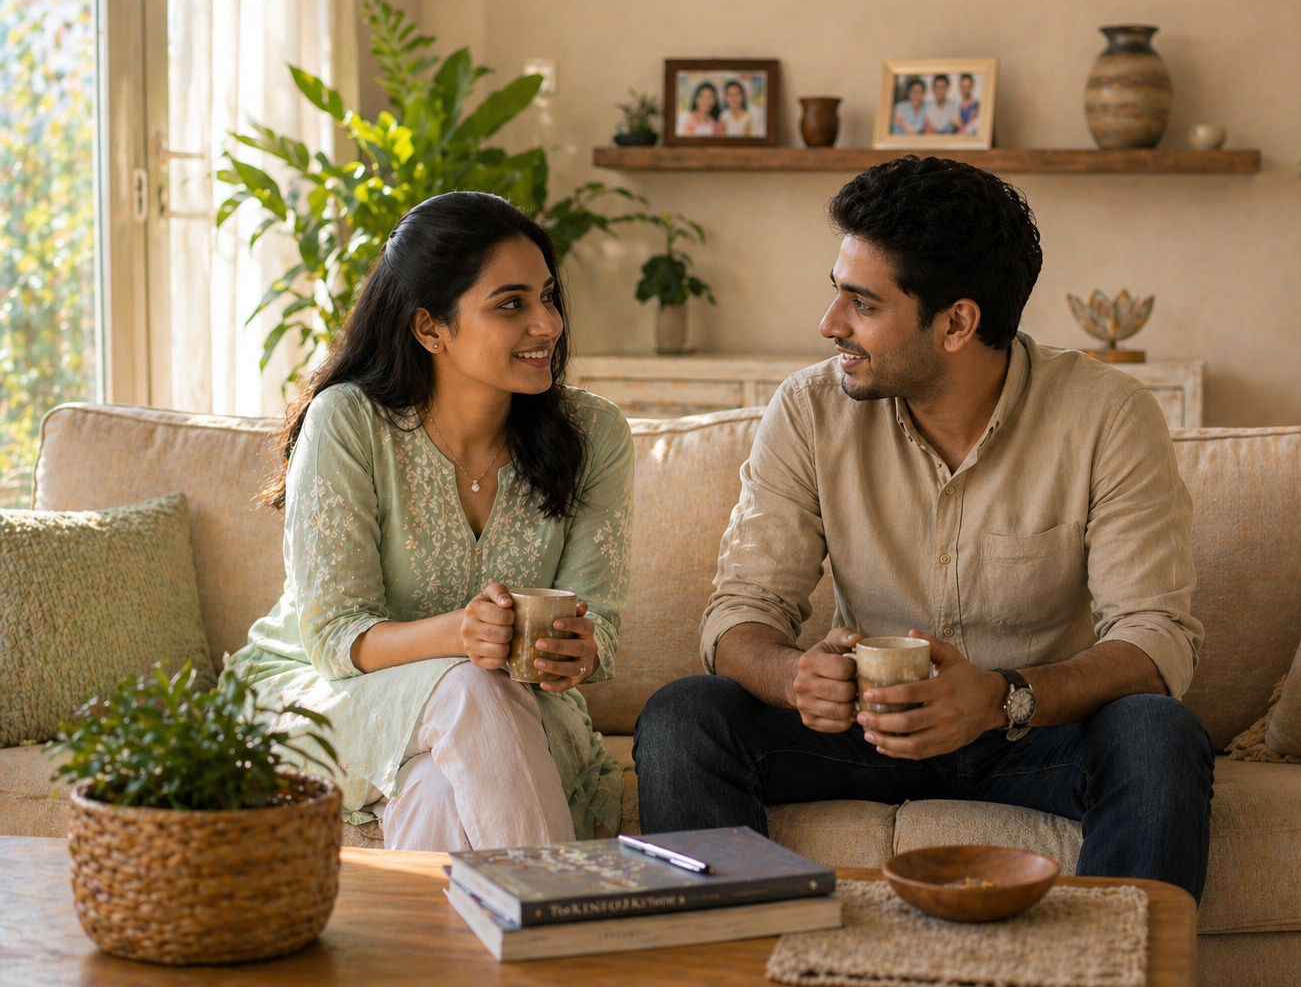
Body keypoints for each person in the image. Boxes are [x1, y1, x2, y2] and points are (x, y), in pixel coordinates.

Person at [633, 156, 1214, 902]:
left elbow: (1157, 638)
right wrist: (793, 676)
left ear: (957, 323)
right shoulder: (809, 411)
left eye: (862, 305)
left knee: (1158, 734)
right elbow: (739, 613)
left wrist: (1001, 697)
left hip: (1032, 734)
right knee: (685, 715)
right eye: (835, 294)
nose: (829, 324)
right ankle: (736, 967)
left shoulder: (1107, 415)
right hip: (863, 731)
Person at [223, 191, 633, 852]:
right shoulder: (349, 423)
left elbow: (601, 624)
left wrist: (580, 653)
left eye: (548, 296)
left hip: (518, 709)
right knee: (470, 686)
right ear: (430, 328)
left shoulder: (595, 433)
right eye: (511, 304)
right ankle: (563, 927)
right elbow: (333, 639)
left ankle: (442, 957)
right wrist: (462, 637)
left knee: (441, 791)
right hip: (328, 696)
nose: (548, 324)